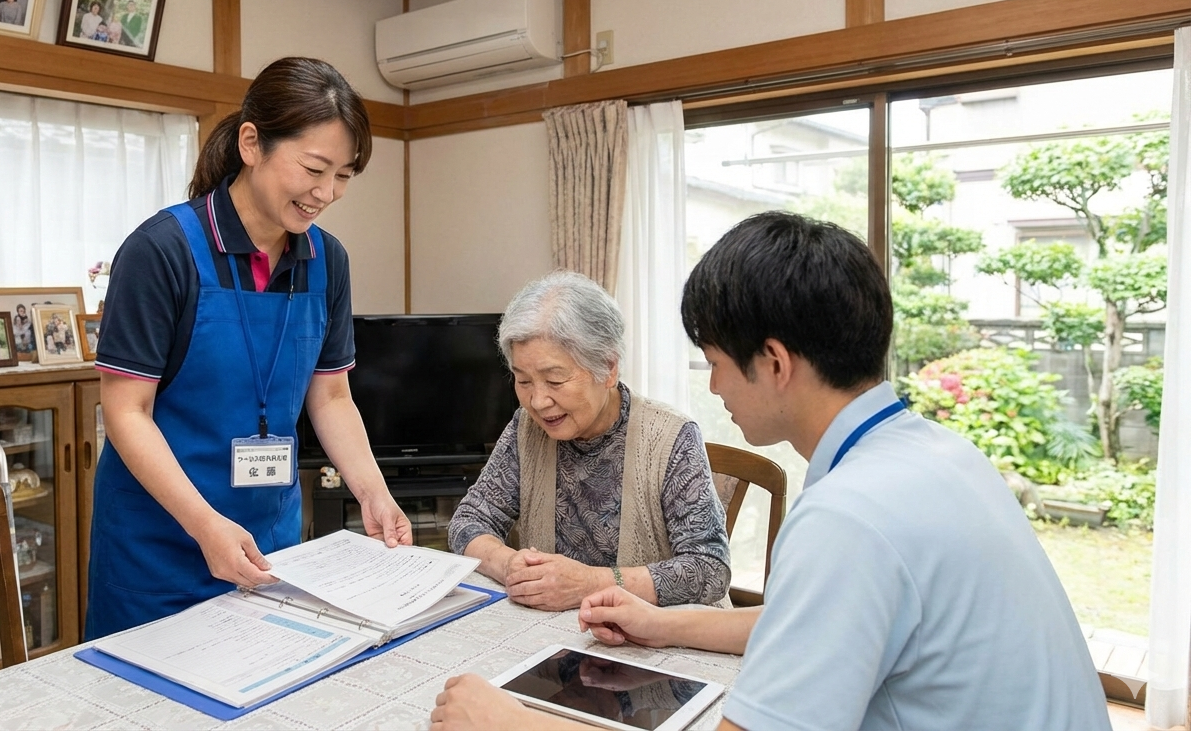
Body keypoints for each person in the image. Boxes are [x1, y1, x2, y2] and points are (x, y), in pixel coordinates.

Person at [430, 211, 1112, 731]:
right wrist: (663, 624)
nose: (716, 386)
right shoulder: (933, 454)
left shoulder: (849, 517)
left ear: (776, 363)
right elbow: (804, 623)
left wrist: (518, 724)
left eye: (717, 363)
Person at [85, 57, 412, 640]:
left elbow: (332, 396)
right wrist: (205, 525)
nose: (325, 194)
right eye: (313, 168)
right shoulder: (162, 251)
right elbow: (125, 411)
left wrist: (374, 491)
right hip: (158, 547)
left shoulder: (326, 260)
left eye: (342, 176)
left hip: (269, 545)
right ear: (252, 143)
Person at [449, 271, 730, 611]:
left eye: (554, 380)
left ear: (608, 368)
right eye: (523, 381)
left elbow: (709, 569)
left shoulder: (671, 437)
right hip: (558, 637)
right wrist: (509, 565)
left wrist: (590, 584)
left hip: (650, 644)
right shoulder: (527, 428)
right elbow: (469, 521)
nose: (538, 401)